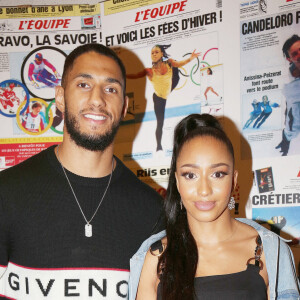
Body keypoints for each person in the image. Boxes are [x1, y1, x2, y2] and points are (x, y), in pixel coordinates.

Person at [0, 44, 163, 299]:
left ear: (124, 106)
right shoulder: (6, 193)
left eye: (111, 89)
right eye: (84, 85)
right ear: (61, 97)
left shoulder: (152, 210)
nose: (98, 99)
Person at [129, 114, 300, 300]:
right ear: (177, 182)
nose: (204, 190)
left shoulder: (270, 252)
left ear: (233, 180)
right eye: (190, 175)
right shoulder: (157, 257)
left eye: (217, 174)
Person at [127, 44, 200, 151]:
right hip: (159, 98)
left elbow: (180, 63)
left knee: (175, 68)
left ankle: (174, 76)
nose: (154, 54)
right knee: (160, 122)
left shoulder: (169, 62)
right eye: (152, 53)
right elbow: (135, 75)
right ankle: (159, 146)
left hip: (169, 86)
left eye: (156, 52)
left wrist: (191, 58)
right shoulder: (149, 71)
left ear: (162, 54)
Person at [276, 34, 300, 156]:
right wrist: (286, 138)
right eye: (295, 54)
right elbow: (291, 111)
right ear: (289, 59)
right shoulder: (290, 85)